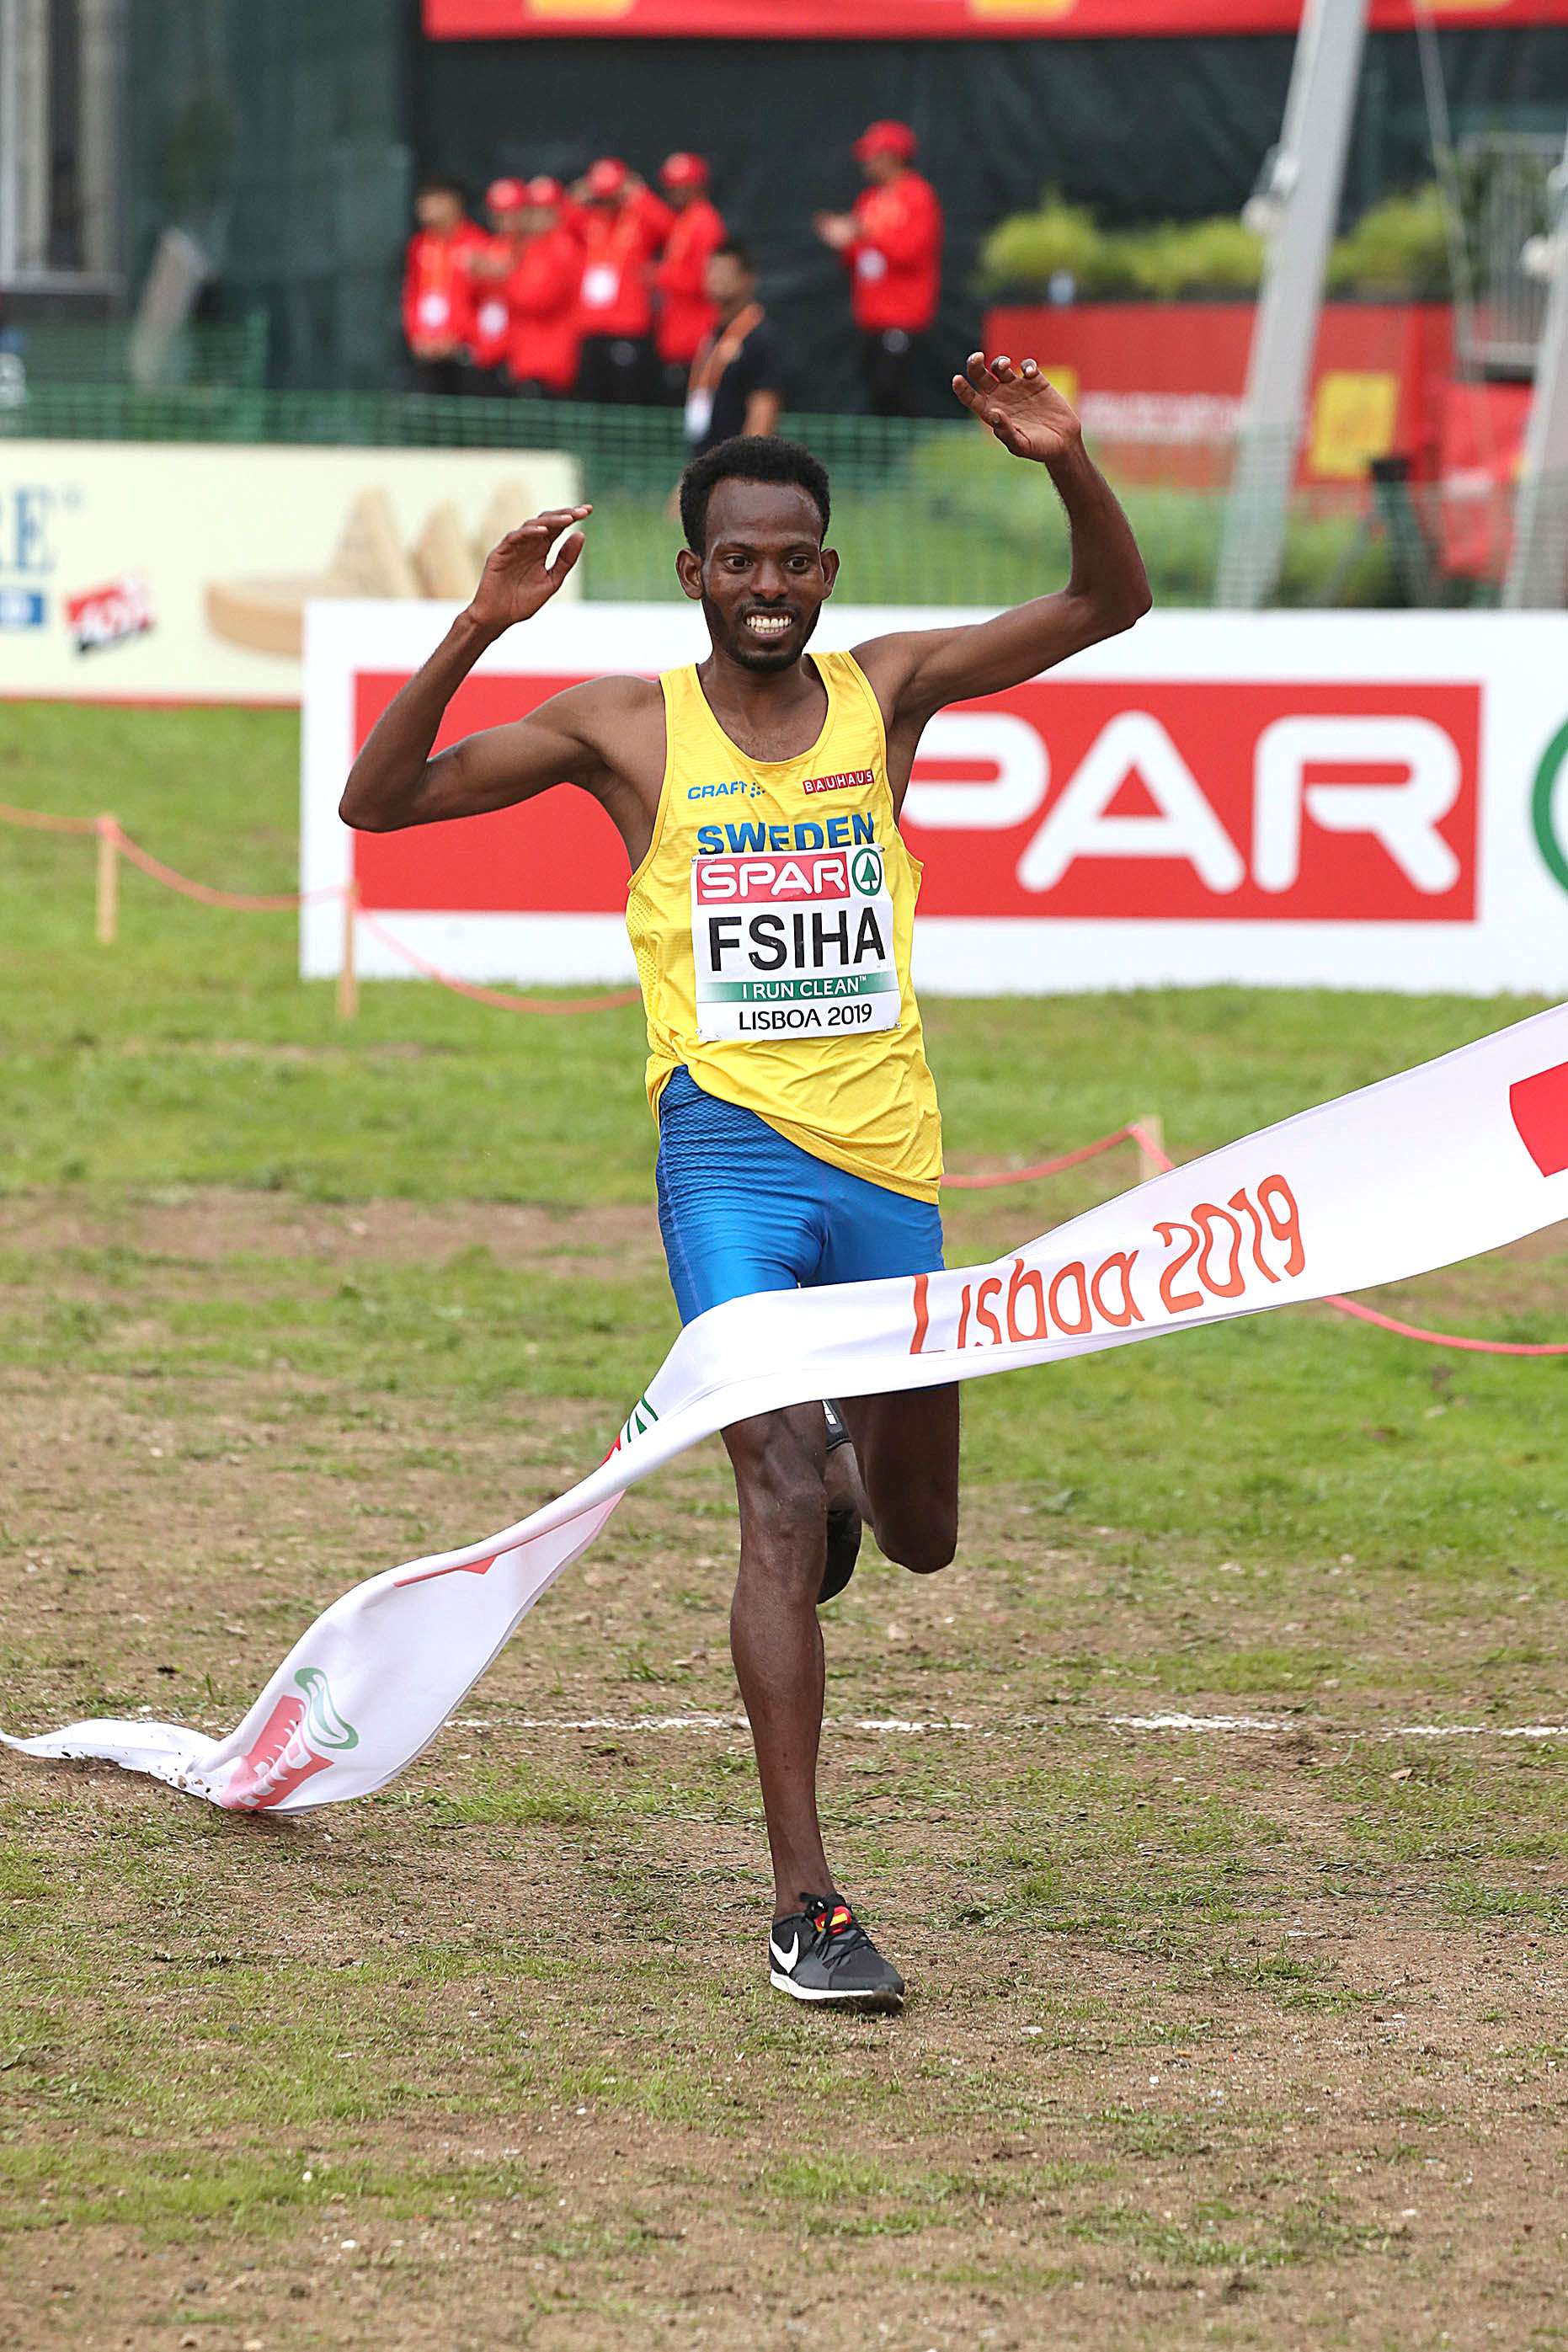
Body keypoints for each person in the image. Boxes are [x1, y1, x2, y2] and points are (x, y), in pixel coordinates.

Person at [338, 354, 1150, 2010]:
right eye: (737, 561)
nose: (766, 587)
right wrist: (479, 625)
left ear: (824, 570)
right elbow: (380, 800)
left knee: (918, 1534)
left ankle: (857, 1470)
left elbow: (1104, 605)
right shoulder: (624, 726)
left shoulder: (888, 690)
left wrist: (1069, 458)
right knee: (770, 1490)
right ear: (691, 569)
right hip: (725, 1159)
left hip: (886, 1169)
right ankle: (807, 1904)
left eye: (793, 560)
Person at [814, 121, 942, 419]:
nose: (866, 162)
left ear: (892, 157)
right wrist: (843, 239)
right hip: (870, 316)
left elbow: (910, 252)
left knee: (895, 391)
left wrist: (863, 232)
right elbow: (856, 257)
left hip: (903, 315)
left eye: (872, 155)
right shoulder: (869, 198)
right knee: (875, 392)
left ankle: (908, 448)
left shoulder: (917, 195)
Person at [574, 156, 670, 404]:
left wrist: (641, 195)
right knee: (591, 399)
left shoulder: (638, 217)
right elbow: (558, 223)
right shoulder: (589, 219)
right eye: (601, 196)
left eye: (611, 195)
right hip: (590, 326)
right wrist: (576, 195)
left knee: (626, 399)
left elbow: (669, 228)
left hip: (628, 327)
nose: (606, 203)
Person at [683, 241, 785, 456]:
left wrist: (745, 464)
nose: (716, 278)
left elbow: (763, 409)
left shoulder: (759, 338)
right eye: (712, 270)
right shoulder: (713, 334)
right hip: (707, 459)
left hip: (735, 464)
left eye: (725, 271)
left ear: (749, 279)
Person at [403, 176, 488, 396]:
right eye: (423, 199)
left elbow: (482, 300)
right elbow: (413, 294)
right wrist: (416, 335)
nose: (425, 206)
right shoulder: (420, 245)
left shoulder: (476, 242)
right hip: (427, 349)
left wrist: (458, 336)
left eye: (435, 198)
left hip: (465, 353)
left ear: (454, 202)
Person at [653, 152, 728, 402]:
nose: (676, 193)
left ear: (699, 186)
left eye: (683, 186)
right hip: (677, 335)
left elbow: (705, 281)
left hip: (694, 338)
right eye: (672, 187)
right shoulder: (682, 220)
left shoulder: (705, 221)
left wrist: (660, 276)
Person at [504, 177, 584, 399]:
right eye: (532, 210)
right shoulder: (529, 247)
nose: (536, 218)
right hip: (528, 354)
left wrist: (505, 279)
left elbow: (541, 299)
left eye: (545, 211)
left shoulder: (563, 247)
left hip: (552, 357)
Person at [465, 179, 530, 389]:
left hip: (519, 345)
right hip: (487, 340)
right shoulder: (488, 245)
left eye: (512, 213)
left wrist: (500, 273)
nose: (506, 221)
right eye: (500, 214)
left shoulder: (530, 247)